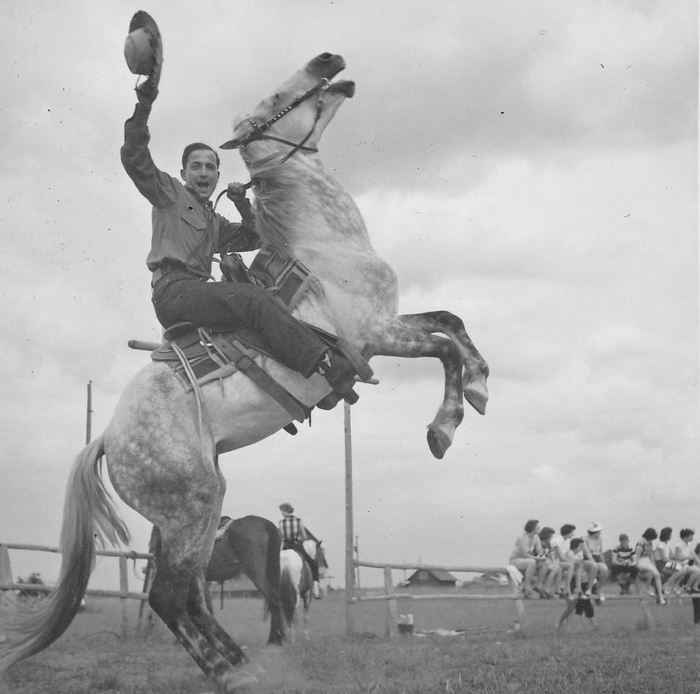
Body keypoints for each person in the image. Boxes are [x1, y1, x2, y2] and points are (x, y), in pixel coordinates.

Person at [120, 23, 358, 410]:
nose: (203, 172)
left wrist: (243, 204)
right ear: (183, 174)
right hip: (174, 293)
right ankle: (325, 365)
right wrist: (145, 101)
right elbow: (134, 157)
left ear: (217, 173)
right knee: (250, 299)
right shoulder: (168, 194)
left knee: (258, 303)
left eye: (210, 167)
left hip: (195, 293)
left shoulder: (213, 221)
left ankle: (301, 382)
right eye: (195, 166)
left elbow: (254, 239)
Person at [278, 503, 322, 599]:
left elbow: (281, 536)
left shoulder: (281, 522)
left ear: (286, 511)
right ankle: (316, 590)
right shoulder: (299, 521)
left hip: (285, 546)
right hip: (297, 545)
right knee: (313, 565)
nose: (281, 513)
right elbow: (304, 536)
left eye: (282, 511)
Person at [508, 520, 544, 598]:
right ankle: (527, 586)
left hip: (528, 560)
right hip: (516, 560)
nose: (539, 528)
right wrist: (536, 558)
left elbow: (540, 552)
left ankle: (539, 585)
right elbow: (523, 554)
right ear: (533, 528)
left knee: (545, 564)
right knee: (531, 562)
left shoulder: (536, 537)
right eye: (537, 527)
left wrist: (542, 557)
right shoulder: (521, 538)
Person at [634, 528, 667, 605]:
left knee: (657, 575)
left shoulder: (650, 542)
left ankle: (661, 597)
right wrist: (637, 567)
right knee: (650, 571)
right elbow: (637, 556)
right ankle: (648, 588)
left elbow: (651, 555)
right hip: (641, 561)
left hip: (648, 561)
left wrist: (654, 565)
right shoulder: (640, 543)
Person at [583, 522, 609, 600]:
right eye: (599, 531)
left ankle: (599, 590)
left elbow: (600, 552)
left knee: (605, 569)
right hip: (587, 559)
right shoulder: (585, 539)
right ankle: (589, 589)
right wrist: (594, 562)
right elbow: (587, 554)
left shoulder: (600, 539)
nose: (600, 533)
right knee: (594, 566)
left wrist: (604, 563)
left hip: (597, 558)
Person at [551, 524, 577, 597]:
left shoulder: (566, 541)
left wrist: (574, 560)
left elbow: (567, 555)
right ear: (568, 532)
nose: (573, 534)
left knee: (577, 564)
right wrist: (571, 562)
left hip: (559, 562)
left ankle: (576, 588)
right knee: (571, 565)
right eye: (572, 532)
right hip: (553, 562)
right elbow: (560, 557)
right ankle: (567, 588)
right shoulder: (557, 540)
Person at [533, 527, 560, 599]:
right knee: (553, 568)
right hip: (537, 561)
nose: (551, 537)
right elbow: (539, 554)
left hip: (545, 561)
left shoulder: (548, 544)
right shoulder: (538, 542)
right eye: (551, 535)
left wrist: (553, 561)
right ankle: (541, 586)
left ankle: (547, 589)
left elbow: (550, 555)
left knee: (556, 569)